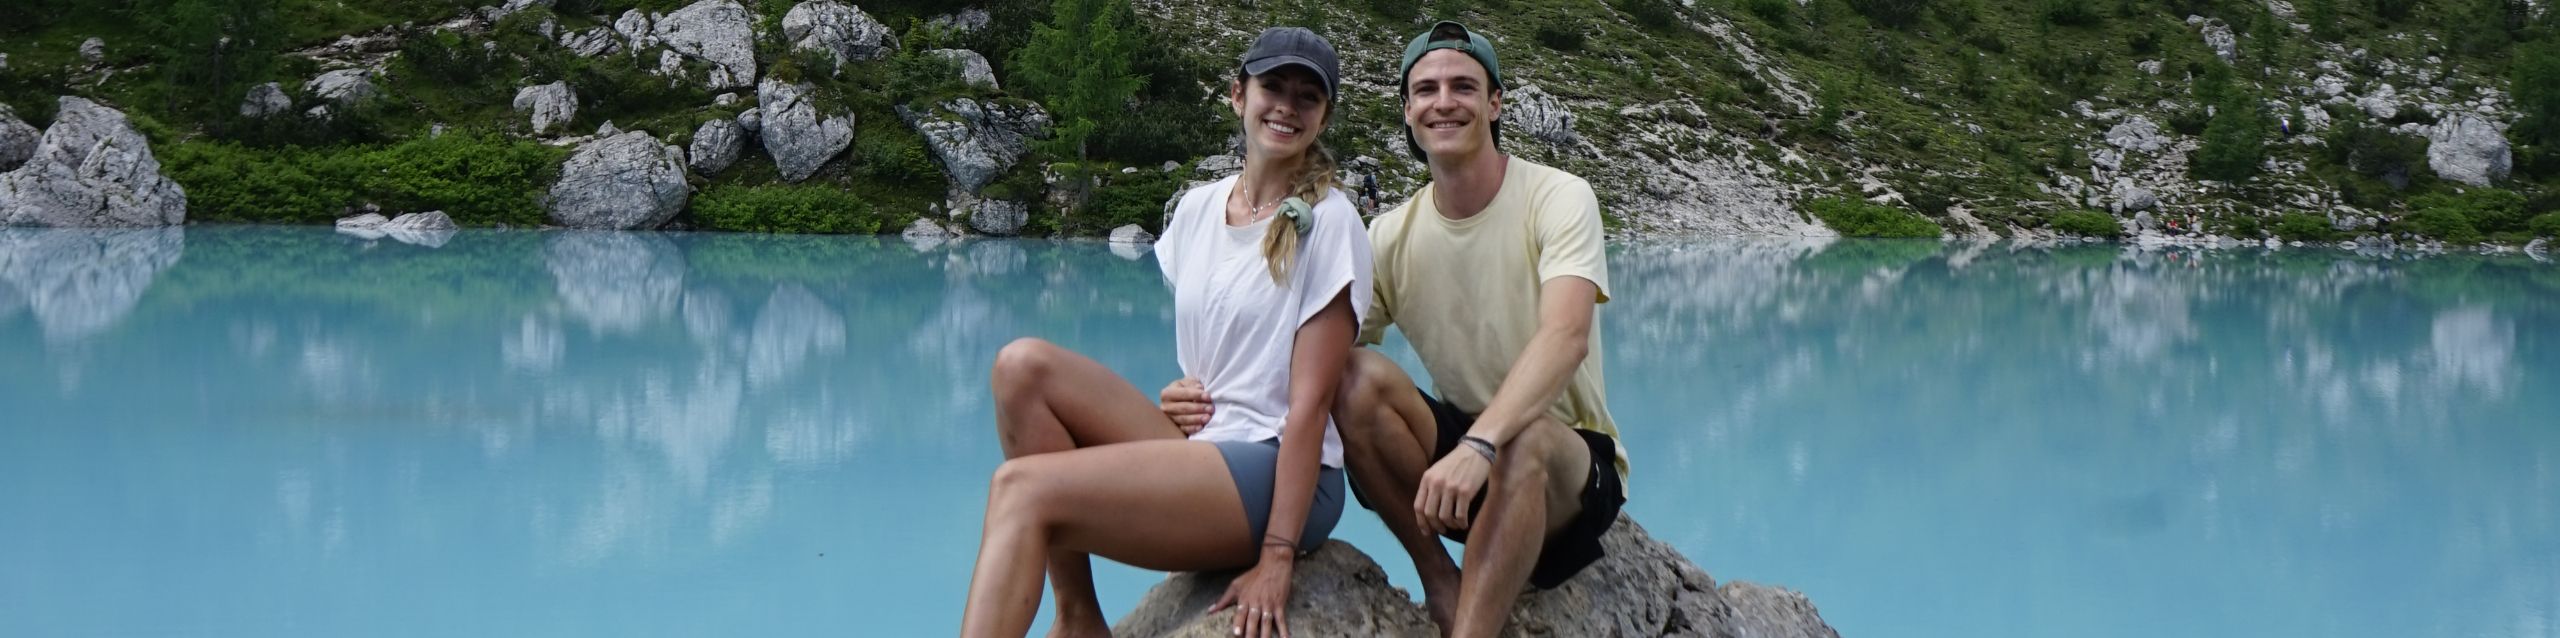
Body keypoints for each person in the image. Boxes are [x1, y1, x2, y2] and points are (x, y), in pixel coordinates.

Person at [1171, 21, 1628, 637]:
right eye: (1426, 90)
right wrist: (1199, 393)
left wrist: (1480, 447)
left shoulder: (1559, 197)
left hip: (1566, 466)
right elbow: (1303, 356)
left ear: (1495, 104)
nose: (1444, 102)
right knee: (1350, 376)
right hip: (1458, 464)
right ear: (1409, 112)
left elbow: (1566, 337)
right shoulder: (1389, 235)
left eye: (1464, 87)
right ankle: (1439, 576)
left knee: (1528, 441)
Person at [960, 27, 1372, 638]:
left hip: (1280, 468)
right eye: (1273, 87)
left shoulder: (1332, 222)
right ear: (1238, 95)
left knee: (1019, 489)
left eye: (1307, 97)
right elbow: (1228, 345)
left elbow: (1310, 405)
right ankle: (1078, 616)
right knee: (1020, 367)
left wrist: (1277, 555)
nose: (1287, 106)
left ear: (1323, 117)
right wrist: (1183, 391)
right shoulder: (1198, 209)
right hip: (1206, 443)